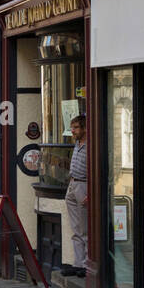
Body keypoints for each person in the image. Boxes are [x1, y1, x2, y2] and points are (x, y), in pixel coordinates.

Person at [63, 115, 88, 278]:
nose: (73, 131)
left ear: (85, 128)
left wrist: (91, 192)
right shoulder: (77, 144)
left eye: (76, 128)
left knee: (85, 229)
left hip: (84, 186)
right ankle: (78, 263)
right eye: (72, 127)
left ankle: (87, 264)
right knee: (75, 228)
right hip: (73, 185)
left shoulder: (90, 145)